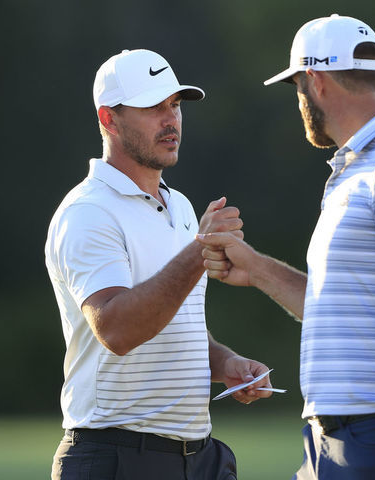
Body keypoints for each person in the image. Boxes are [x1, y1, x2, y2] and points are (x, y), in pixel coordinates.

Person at [196, 14, 375, 480]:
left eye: (297, 86)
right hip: (334, 440)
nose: (298, 99)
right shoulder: (354, 170)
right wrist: (258, 269)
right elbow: (339, 307)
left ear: (315, 82)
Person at [44, 48, 273, 480]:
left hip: (197, 456)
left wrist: (224, 364)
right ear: (109, 118)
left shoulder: (181, 206)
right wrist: (198, 250)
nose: (171, 119)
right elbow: (116, 328)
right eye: (153, 107)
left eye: (175, 105)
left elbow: (174, 323)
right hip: (115, 455)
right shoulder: (88, 211)